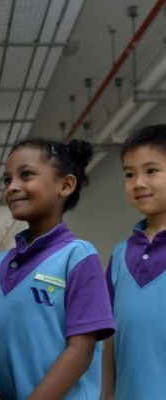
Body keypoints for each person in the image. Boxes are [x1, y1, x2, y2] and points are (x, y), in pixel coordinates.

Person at [0, 138, 115, 399]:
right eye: (7, 180)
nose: (12, 187)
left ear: (66, 185)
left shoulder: (78, 257)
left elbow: (80, 351)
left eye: (26, 175)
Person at [104, 124, 166, 400]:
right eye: (130, 174)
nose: (138, 182)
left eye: (151, 171)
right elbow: (109, 340)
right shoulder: (119, 256)